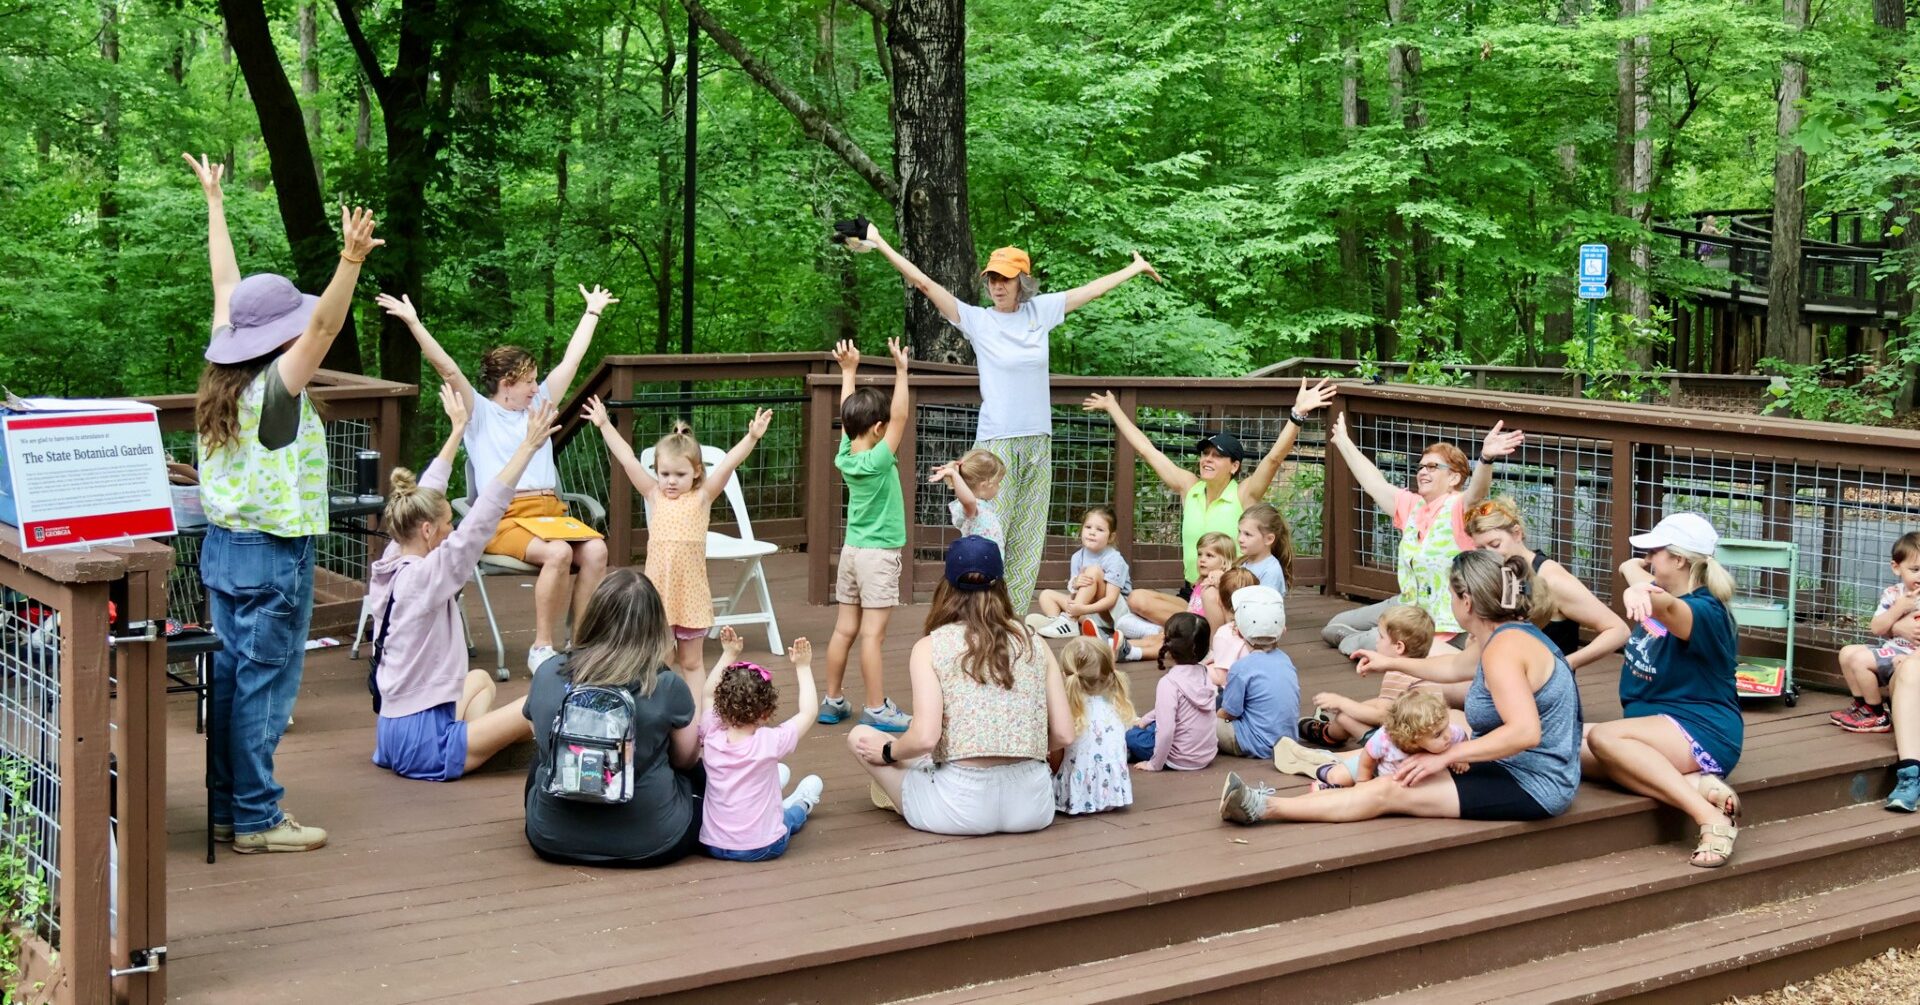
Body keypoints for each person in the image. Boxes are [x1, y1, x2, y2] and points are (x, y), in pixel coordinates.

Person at [186, 152, 381, 853]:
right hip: (272, 557)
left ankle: (226, 809)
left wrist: (215, 203)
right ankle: (260, 818)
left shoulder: (220, 372)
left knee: (233, 684)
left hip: (223, 551)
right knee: (265, 689)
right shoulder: (276, 387)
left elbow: (225, 285)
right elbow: (323, 328)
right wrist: (350, 261)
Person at [854, 223, 1164, 614]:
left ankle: (1011, 618)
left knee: (1028, 539)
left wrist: (1133, 269)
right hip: (997, 443)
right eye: (992, 279)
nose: (997, 286)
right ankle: (979, 613)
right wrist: (880, 242)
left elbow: (1092, 291)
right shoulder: (979, 320)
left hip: (1038, 440)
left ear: (1023, 282)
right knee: (989, 535)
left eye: (1006, 278)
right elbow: (926, 285)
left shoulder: (1041, 312)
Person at [1221, 550, 1583, 827]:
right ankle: (1333, 771)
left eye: (1452, 595)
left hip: (1534, 783)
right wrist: (1391, 662)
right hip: (1514, 764)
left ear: (1467, 602)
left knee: (1391, 787)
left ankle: (1263, 806)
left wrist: (1444, 758)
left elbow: (1525, 731)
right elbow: (1455, 666)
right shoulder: (1503, 633)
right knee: (1410, 743)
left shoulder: (1504, 650)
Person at [375, 286, 615, 675]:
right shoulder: (480, 413)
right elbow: (448, 369)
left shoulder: (539, 404)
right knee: (559, 553)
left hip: (550, 512)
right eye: (529, 381)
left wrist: (592, 312)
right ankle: (543, 647)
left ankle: (582, 643)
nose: (537, 387)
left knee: (597, 551)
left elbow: (572, 362)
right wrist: (414, 323)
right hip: (503, 516)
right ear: (506, 382)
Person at [367, 387, 548, 782]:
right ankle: (461, 750)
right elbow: (485, 516)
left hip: (392, 729)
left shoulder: (392, 559)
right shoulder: (429, 577)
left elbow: (425, 495)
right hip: (423, 742)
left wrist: (457, 430)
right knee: (543, 700)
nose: (453, 529)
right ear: (429, 530)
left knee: (480, 680)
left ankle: (473, 745)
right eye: (448, 523)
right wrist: (529, 446)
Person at [846, 537, 1076, 836]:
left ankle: (905, 787)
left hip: (958, 806)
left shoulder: (930, 647)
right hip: (1032, 806)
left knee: (862, 736)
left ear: (947, 587)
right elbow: (1064, 733)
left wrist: (889, 751)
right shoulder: (1035, 642)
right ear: (1000, 586)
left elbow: (926, 737)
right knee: (923, 751)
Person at [1083, 379, 1336, 631]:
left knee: (1136, 617)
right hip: (1191, 591)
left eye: (1217, 456)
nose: (1207, 460)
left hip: (1223, 593)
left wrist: (1298, 414)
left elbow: (1273, 459)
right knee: (1137, 599)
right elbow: (1147, 450)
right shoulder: (1189, 487)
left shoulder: (1244, 493)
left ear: (1234, 466)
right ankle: (1183, 629)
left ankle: (1182, 631)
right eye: (1205, 454)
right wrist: (1113, 407)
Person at [1583, 513, 1744, 868]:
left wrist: (1639, 588)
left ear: (1679, 559)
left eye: (1655, 552)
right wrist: (1632, 571)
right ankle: (1696, 783)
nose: (1649, 559)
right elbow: (1639, 574)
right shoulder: (1665, 587)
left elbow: (1668, 607)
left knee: (1605, 740)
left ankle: (1709, 818)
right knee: (1561, 743)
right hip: (1655, 729)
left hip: (1702, 730)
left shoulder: (1704, 611)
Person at [583, 397, 774, 688]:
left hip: (690, 593)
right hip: (657, 594)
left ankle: (694, 721)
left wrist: (751, 436)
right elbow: (628, 459)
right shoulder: (653, 494)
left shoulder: (703, 496)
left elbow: (729, 462)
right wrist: (605, 424)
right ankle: (660, 714)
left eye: (680, 474)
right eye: (664, 474)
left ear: (697, 471)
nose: (670, 481)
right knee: (659, 660)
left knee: (692, 662)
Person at [523, 569, 704, 866]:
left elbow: (537, 733)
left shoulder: (547, 672)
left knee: (545, 758)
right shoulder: (664, 685)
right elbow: (686, 759)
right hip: (653, 840)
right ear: (654, 625)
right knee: (695, 766)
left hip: (551, 837)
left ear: (594, 615)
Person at [1319, 415, 1525, 655]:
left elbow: (1477, 491)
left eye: (1433, 467)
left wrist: (1486, 458)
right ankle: (1388, 643)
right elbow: (1373, 482)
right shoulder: (1412, 506)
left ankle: (1387, 644)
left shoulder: (1460, 507)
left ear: (1454, 478)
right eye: (1421, 466)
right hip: (1408, 605)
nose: (1423, 472)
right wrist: (1343, 441)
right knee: (1333, 627)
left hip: (1444, 618)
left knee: (1363, 641)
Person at [818, 339, 915, 732]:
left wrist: (847, 372)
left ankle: (832, 699)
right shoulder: (877, 458)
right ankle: (876, 708)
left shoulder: (847, 455)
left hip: (852, 553)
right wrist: (902, 372)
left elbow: (848, 418)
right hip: (878, 557)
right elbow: (902, 417)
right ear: (877, 429)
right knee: (872, 635)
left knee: (845, 629)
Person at [697, 630, 825, 862]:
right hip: (762, 846)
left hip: (713, 844)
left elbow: (706, 695)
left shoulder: (711, 732)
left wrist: (728, 654)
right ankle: (803, 803)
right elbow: (809, 712)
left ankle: (775, 784)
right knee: (788, 819)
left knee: (767, 778)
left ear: (721, 706)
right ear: (766, 713)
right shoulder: (769, 742)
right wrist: (803, 667)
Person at [1461, 498, 1631, 669]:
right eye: (1481, 549)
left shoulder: (1552, 579)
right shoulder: (1501, 574)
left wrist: (1565, 665)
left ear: (1517, 533)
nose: (1490, 554)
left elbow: (1618, 631)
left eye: (1495, 544)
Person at [1298, 604, 1437, 748]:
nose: (1377, 640)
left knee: (1344, 716)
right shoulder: (1423, 667)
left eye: (1381, 637)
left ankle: (1329, 735)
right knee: (1365, 706)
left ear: (1399, 647)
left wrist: (1342, 703)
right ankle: (1333, 729)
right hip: (1427, 734)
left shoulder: (1397, 675)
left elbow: (1381, 716)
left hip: (1407, 744)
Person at [1832, 531, 1920, 733]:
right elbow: (1876, 628)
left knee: (1860, 661)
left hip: (1909, 657)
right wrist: (1899, 609)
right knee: (1847, 653)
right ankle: (1861, 705)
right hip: (1892, 648)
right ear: (1896, 567)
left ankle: (1877, 713)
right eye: (1915, 569)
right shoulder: (1893, 594)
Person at [1295, 691, 1469, 790]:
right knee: (1340, 777)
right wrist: (1363, 782)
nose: (1447, 735)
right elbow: (1368, 757)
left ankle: (1335, 787)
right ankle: (1328, 774)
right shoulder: (1386, 740)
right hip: (1376, 769)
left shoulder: (1451, 733)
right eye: (1437, 734)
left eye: (1446, 726)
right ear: (1413, 740)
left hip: (1398, 782)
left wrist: (1462, 757)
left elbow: (1463, 739)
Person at [1124, 532, 1238, 664]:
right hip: (1190, 628)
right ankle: (1117, 644)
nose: (1202, 559)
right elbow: (1190, 608)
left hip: (1201, 637)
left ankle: (1134, 653)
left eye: (1209, 556)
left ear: (1225, 562)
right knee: (1157, 638)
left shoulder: (1219, 583)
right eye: (1199, 554)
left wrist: (1221, 576)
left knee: (1168, 646)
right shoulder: (1201, 582)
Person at [1052, 637, 1136, 815]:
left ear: (1065, 675)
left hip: (1075, 797)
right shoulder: (1117, 705)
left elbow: (1056, 757)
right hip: (1113, 795)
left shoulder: (1068, 711)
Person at [1125, 613, 1218, 772]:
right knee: (1151, 724)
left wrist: (1154, 765)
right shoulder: (1204, 673)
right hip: (1205, 754)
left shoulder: (1168, 683)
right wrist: (1147, 719)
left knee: (1131, 736)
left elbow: (1167, 732)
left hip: (1178, 758)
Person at [1215, 586, 1297, 760]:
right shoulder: (1285, 660)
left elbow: (1230, 712)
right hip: (1285, 741)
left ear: (1237, 632)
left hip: (1255, 743)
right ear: (1283, 630)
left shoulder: (1241, 668)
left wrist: (1215, 716)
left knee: (1201, 722)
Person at [1029, 506, 1132, 640]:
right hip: (1087, 611)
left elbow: (1111, 600)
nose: (1092, 532)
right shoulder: (1077, 557)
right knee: (1046, 595)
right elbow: (1075, 594)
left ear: (1111, 537)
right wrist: (1075, 584)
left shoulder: (1114, 559)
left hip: (1113, 614)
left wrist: (1081, 610)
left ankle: (1069, 620)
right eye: (1088, 527)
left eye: (1099, 529)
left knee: (1093, 570)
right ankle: (1055, 622)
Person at [930, 448, 1006, 549]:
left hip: (990, 561)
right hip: (977, 562)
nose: (999, 487)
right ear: (984, 485)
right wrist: (954, 475)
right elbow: (969, 501)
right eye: (997, 483)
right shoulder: (973, 507)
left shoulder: (984, 505)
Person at [1203, 569, 1260, 688]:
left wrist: (1202, 669)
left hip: (1240, 693)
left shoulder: (1224, 633)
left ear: (1219, 601)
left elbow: (1223, 679)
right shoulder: (1262, 626)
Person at [1235, 504, 1292, 595]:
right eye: (1239, 532)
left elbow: (1264, 606)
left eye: (1247, 534)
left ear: (1268, 539)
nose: (1240, 539)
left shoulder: (1271, 571)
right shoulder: (1243, 563)